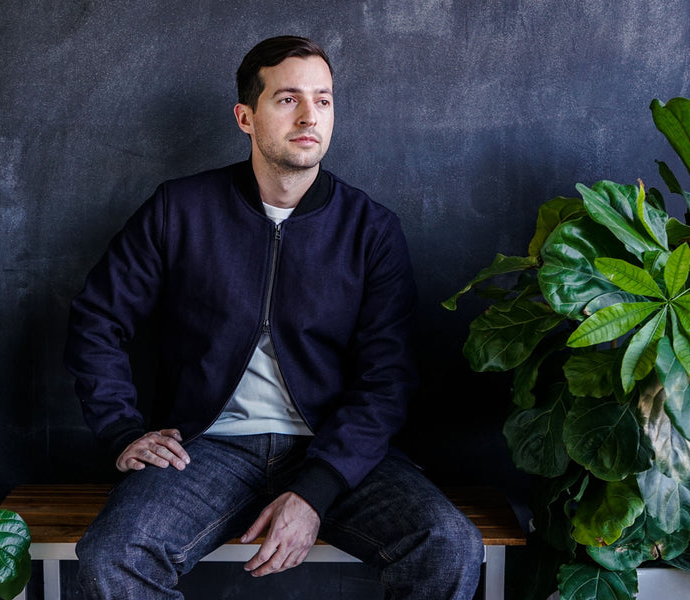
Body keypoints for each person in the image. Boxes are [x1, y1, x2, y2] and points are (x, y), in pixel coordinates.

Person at [64, 35, 484, 599]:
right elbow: (97, 318)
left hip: (334, 449)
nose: (310, 116)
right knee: (113, 556)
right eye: (288, 99)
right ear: (246, 117)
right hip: (204, 449)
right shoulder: (179, 209)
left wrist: (315, 490)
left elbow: (388, 378)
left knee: (449, 545)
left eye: (323, 100)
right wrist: (121, 428)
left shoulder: (370, 229)